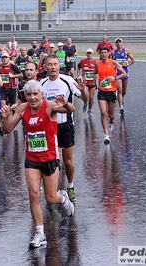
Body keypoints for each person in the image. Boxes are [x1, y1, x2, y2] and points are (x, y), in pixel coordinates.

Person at [0, 80, 75, 249]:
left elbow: (71, 110)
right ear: (25, 96)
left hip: (50, 158)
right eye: (29, 95)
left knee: (50, 198)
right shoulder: (23, 108)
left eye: (35, 94)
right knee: (34, 194)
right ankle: (40, 233)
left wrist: (67, 104)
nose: (32, 98)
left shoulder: (49, 106)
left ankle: (62, 199)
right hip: (31, 159)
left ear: (41, 94)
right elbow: (6, 129)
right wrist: (4, 119)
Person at [40, 55, 87, 203]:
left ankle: (70, 186)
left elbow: (85, 99)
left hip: (65, 126)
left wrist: (83, 89)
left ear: (59, 66)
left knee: (67, 161)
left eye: (55, 64)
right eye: (50, 64)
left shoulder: (68, 81)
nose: (53, 67)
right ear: (45, 67)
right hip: (49, 128)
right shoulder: (41, 84)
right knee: (51, 161)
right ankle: (53, 190)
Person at [94, 47, 127, 144]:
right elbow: (95, 73)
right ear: (99, 54)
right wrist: (95, 77)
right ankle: (106, 135)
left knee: (111, 115)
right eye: (102, 52)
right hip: (102, 92)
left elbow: (124, 73)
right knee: (103, 112)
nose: (104, 54)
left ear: (108, 53)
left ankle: (111, 122)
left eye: (105, 52)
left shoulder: (113, 63)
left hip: (112, 91)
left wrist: (114, 78)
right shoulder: (97, 64)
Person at [113, 38, 135, 115]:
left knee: (124, 91)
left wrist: (128, 64)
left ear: (122, 43)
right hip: (117, 73)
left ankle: (122, 97)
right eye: (117, 42)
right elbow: (110, 61)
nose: (118, 44)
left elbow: (133, 60)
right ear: (115, 44)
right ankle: (121, 107)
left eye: (120, 42)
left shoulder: (126, 51)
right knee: (119, 89)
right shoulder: (113, 53)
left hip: (125, 72)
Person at [77, 48, 97, 117]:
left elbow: (98, 71)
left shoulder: (95, 62)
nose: (89, 55)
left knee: (91, 98)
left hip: (92, 83)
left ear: (92, 54)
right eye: (88, 53)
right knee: (85, 94)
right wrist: (79, 75)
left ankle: (90, 110)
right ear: (86, 54)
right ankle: (85, 103)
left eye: (90, 53)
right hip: (85, 83)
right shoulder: (82, 61)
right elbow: (78, 68)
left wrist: (97, 75)